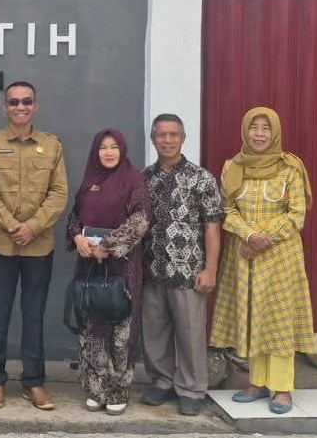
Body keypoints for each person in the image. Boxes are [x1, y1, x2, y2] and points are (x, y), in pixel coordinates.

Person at [209, 106, 314, 415]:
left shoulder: (290, 168)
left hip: (280, 255)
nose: (259, 134)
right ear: (245, 131)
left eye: (265, 128)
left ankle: (281, 388)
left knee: (278, 319)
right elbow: (227, 210)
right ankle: (256, 382)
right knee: (252, 315)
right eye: (253, 127)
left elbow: (296, 214)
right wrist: (249, 235)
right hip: (244, 254)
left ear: (275, 132)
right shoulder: (232, 167)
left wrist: (263, 238)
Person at [0, 81, 67, 411]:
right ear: (5, 107)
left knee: (34, 316)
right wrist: (14, 226)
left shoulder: (52, 145)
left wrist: (33, 226)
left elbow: (59, 193)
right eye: (14, 102)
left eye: (27, 101)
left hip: (39, 246)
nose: (20, 107)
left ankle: (34, 382)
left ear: (35, 106)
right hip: (0, 244)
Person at [140, 114, 222, 415]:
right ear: (153, 140)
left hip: (188, 270)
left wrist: (210, 269)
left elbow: (213, 226)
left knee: (190, 332)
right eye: (161, 135)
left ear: (183, 138)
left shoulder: (201, 178)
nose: (167, 140)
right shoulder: (144, 178)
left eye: (173, 134)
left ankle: (191, 388)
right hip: (152, 269)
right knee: (154, 331)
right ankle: (162, 381)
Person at [66, 129, 150, 415]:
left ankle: (117, 391)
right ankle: (95, 389)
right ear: (96, 151)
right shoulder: (89, 180)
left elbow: (141, 219)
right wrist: (77, 238)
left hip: (122, 267)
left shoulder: (134, 180)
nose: (109, 152)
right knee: (92, 327)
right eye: (103, 147)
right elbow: (75, 217)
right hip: (89, 265)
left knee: (120, 329)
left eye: (114, 147)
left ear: (122, 150)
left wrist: (108, 246)